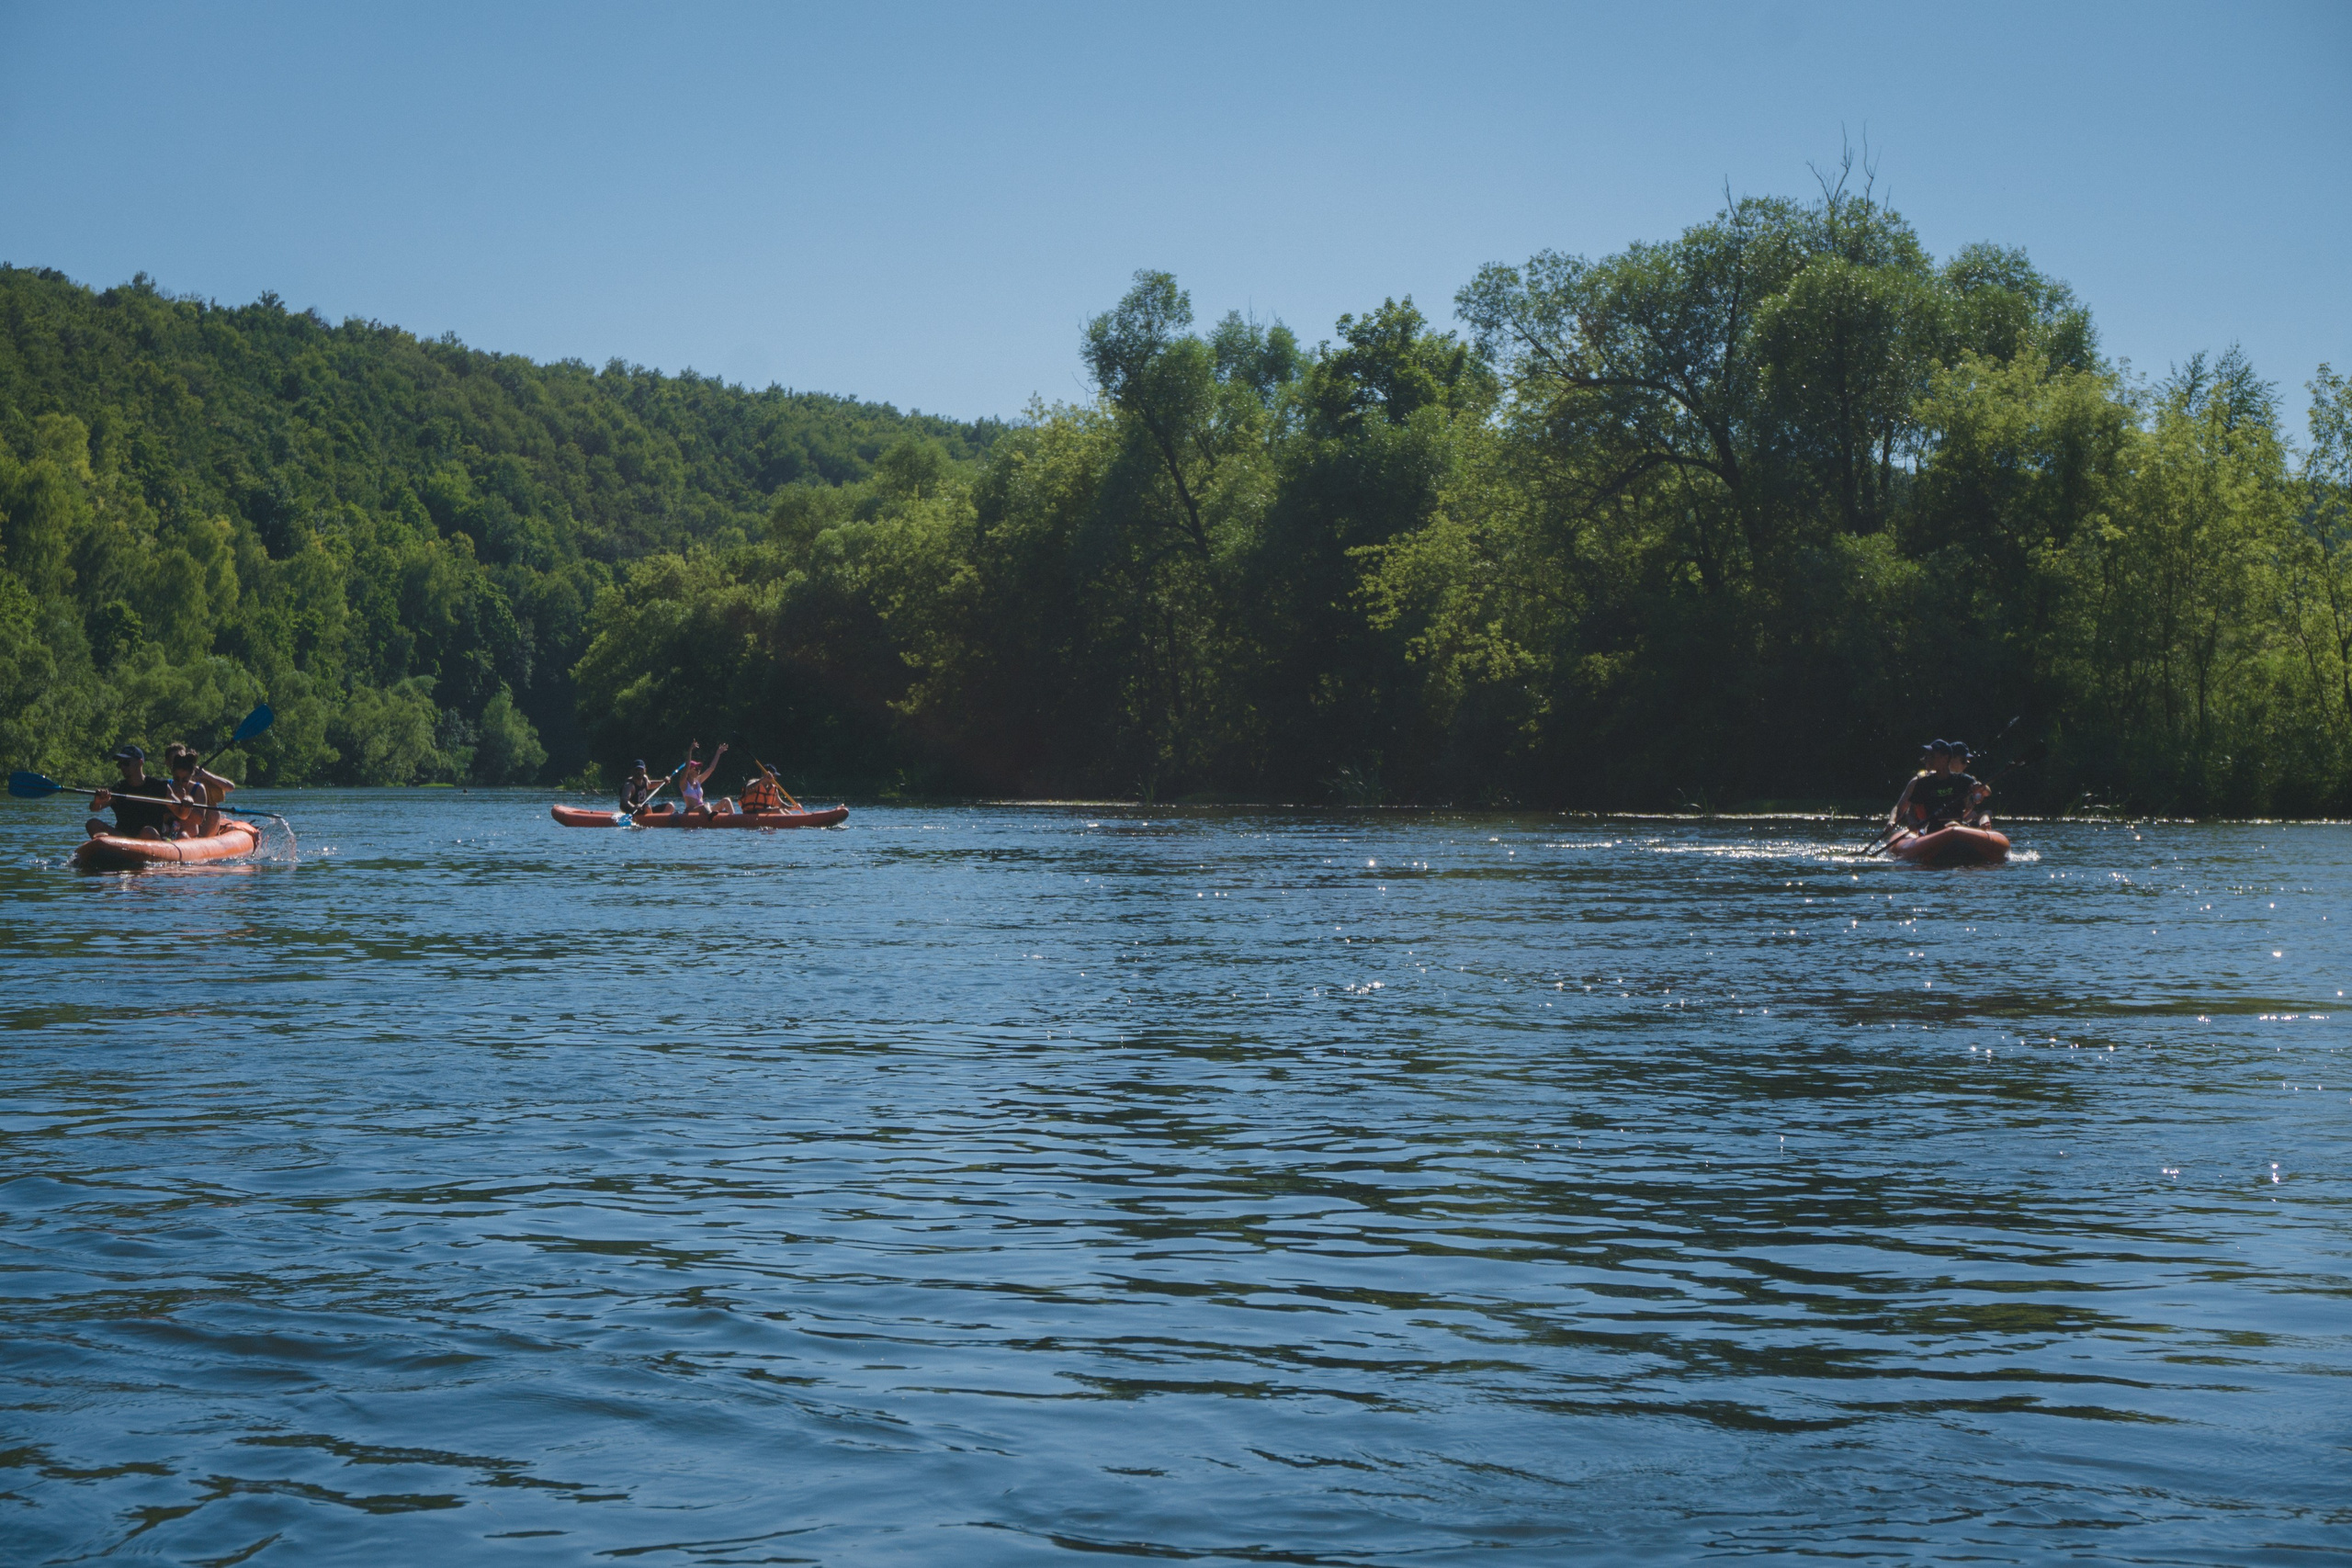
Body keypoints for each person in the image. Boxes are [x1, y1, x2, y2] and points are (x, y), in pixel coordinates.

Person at [85, 744, 179, 840]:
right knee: (92, 824)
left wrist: (187, 802)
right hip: (124, 838)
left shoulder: (159, 786)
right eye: (120, 764)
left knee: (148, 831)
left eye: (126, 763)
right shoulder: (118, 788)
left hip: (150, 839)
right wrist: (97, 802)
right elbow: (94, 808)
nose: (122, 767)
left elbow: (182, 813)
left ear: (140, 762)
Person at [161, 742, 234, 838]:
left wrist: (205, 775)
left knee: (214, 812)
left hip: (196, 828)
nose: (180, 761)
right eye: (175, 760)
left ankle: (203, 842)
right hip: (174, 828)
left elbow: (230, 787)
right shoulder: (167, 784)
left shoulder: (199, 784)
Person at [676, 739, 727, 818]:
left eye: (699, 768)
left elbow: (711, 768)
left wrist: (718, 753)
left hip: (703, 809)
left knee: (726, 800)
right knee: (705, 805)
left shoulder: (698, 780)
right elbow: (686, 767)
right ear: (689, 770)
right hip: (691, 812)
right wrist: (690, 751)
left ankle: (736, 820)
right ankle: (710, 815)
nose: (699, 770)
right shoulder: (684, 783)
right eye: (696, 769)